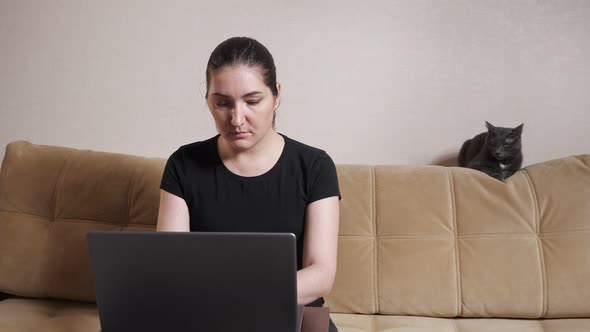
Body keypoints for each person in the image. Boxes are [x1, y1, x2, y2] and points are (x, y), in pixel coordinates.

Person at [157, 36, 340, 331]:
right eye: (222, 103)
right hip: (209, 315)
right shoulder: (183, 164)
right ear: (208, 100)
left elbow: (320, 275)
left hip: (294, 312)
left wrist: (239, 295)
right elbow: (171, 268)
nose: (237, 118)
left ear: (276, 95)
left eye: (253, 101)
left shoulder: (315, 166)